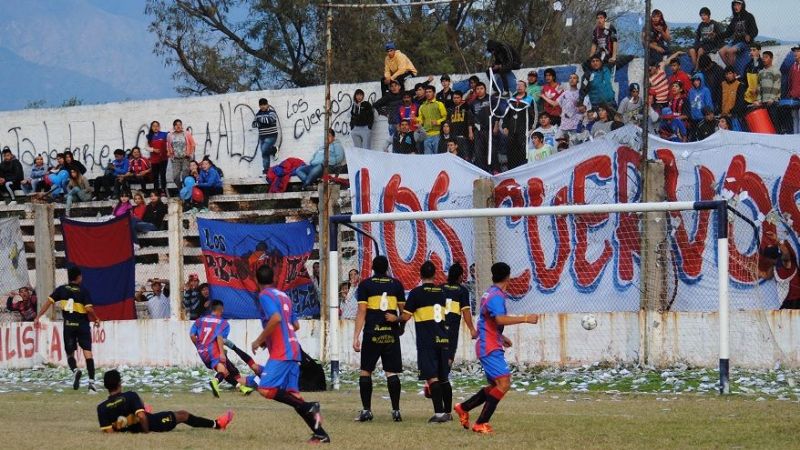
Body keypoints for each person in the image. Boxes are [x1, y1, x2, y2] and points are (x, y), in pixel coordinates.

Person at [453, 262, 539, 434]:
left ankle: (464, 407)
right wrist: (526, 318)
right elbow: (499, 319)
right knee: (504, 383)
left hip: (490, 342)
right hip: (489, 346)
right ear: (508, 277)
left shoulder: (490, 293)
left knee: (495, 385)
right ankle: (480, 423)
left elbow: (487, 321)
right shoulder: (497, 296)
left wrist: (501, 337)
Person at [252, 264, 330, 444]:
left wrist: (258, 340)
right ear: (273, 278)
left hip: (282, 351)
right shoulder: (284, 296)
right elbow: (294, 325)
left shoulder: (265, 295)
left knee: (265, 388)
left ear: (257, 280)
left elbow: (276, 319)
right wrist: (267, 340)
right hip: (294, 349)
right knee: (293, 396)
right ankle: (321, 434)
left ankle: (310, 406)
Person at [393, 261, 450, 423]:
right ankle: (448, 412)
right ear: (435, 275)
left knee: (432, 376)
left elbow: (405, 316)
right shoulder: (442, 292)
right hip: (443, 337)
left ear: (420, 274)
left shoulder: (417, 293)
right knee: (443, 376)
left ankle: (439, 414)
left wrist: (394, 319)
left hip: (428, 340)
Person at [352, 255, 405, 423]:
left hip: (372, 334)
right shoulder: (396, 285)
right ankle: (396, 411)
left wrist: (356, 336)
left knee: (366, 370)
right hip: (390, 334)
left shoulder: (365, 285)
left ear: (373, 268)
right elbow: (404, 312)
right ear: (387, 268)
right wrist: (399, 325)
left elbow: (361, 311)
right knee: (391, 372)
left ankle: (367, 410)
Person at [97, 369, 233, 433]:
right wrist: (146, 431)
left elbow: (109, 432)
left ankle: (143, 409)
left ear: (106, 386)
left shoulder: (101, 408)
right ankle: (217, 424)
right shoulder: (130, 396)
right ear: (120, 383)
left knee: (142, 409)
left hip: (135, 422)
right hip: (153, 423)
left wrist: (127, 426)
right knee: (183, 415)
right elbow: (142, 417)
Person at [34, 266, 101, 392]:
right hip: (82, 325)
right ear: (79, 277)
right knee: (88, 353)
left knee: (70, 353)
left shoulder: (61, 289)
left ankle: (75, 370)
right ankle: (91, 384)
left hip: (69, 325)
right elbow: (88, 308)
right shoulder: (83, 291)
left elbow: (49, 302)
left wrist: (38, 316)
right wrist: (96, 318)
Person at [191, 300, 254, 396]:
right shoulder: (223, 323)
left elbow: (192, 335)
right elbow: (219, 337)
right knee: (222, 371)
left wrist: (199, 346)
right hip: (214, 350)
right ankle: (215, 382)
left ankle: (242, 388)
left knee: (225, 372)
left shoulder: (199, 320)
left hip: (202, 351)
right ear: (221, 309)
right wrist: (221, 353)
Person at [441, 262, 477, 367]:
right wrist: (472, 329)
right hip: (451, 328)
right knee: (449, 356)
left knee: (438, 353)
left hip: (437, 326)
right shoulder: (462, 291)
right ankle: (443, 378)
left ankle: (435, 379)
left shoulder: (440, 288)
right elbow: (466, 311)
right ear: (460, 276)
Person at [759, 231, 800, 309]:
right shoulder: (774, 267)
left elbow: (786, 252)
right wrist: (751, 268)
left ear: (769, 258)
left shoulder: (786, 263)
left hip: (796, 299)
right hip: (787, 300)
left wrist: (777, 240)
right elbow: (767, 276)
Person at [719, 0, 758, 69]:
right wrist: (716, 35)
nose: (736, 7)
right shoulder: (734, 19)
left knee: (730, 51)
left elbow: (755, 30)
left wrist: (750, 35)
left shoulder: (749, 16)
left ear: (742, 5)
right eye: (734, 5)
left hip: (744, 42)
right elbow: (728, 32)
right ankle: (730, 69)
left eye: (738, 5)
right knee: (721, 51)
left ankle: (731, 71)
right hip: (735, 41)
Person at [754, 51, 782, 132]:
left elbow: (776, 86)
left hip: (773, 102)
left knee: (774, 122)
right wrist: (759, 100)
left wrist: (772, 98)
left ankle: (777, 138)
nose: (763, 59)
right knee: (766, 123)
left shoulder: (775, 71)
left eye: (766, 57)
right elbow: (759, 87)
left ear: (771, 59)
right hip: (763, 102)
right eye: (763, 57)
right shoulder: (760, 72)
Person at [417, 86, 448, 154]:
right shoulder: (422, 106)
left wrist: (438, 122)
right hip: (426, 135)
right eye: (426, 92)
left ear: (434, 93)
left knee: (438, 156)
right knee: (428, 158)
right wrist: (417, 121)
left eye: (430, 92)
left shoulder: (439, 104)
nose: (428, 94)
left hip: (438, 134)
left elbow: (445, 117)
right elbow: (420, 119)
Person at [167, 119, 196, 189]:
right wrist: (170, 155)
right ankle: (181, 189)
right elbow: (168, 145)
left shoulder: (186, 133)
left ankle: (186, 191)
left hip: (185, 158)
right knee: (175, 177)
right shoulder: (170, 135)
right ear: (174, 126)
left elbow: (193, 144)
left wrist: (190, 153)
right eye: (176, 125)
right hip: (176, 159)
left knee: (185, 176)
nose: (178, 126)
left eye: (179, 124)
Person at [253, 98, 279, 174]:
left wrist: (260, 120)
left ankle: (274, 150)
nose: (263, 106)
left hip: (271, 135)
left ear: (267, 104)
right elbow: (254, 124)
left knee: (264, 150)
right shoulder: (257, 114)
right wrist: (264, 121)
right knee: (264, 154)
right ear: (259, 106)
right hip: (262, 136)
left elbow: (270, 120)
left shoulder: (272, 112)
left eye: (264, 104)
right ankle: (266, 170)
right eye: (261, 105)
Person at [447, 91, 474, 160]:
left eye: (457, 98)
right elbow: (448, 122)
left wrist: (470, 132)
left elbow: (470, 120)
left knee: (466, 156)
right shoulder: (450, 109)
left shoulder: (466, 108)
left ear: (461, 98)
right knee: (455, 157)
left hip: (464, 136)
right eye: (454, 98)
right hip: (454, 136)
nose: (455, 99)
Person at [146, 121, 169, 193]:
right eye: (154, 126)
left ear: (159, 127)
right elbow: (146, 147)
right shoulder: (149, 136)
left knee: (162, 174)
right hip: (154, 159)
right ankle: (156, 190)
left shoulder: (164, 134)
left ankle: (163, 190)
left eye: (157, 126)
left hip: (163, 158)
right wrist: (153, 150)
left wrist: (168, 151)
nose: (155, 128)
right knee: (155, 175)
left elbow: (169, 143)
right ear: (151, 127)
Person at [787, 45, 800, 134]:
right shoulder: (793, 66)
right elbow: (790, 82)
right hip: (794, 96)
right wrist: (790, 93)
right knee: (794, 118)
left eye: (798, 51)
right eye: (794, 51)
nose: (795, 53)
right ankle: (795, 137)